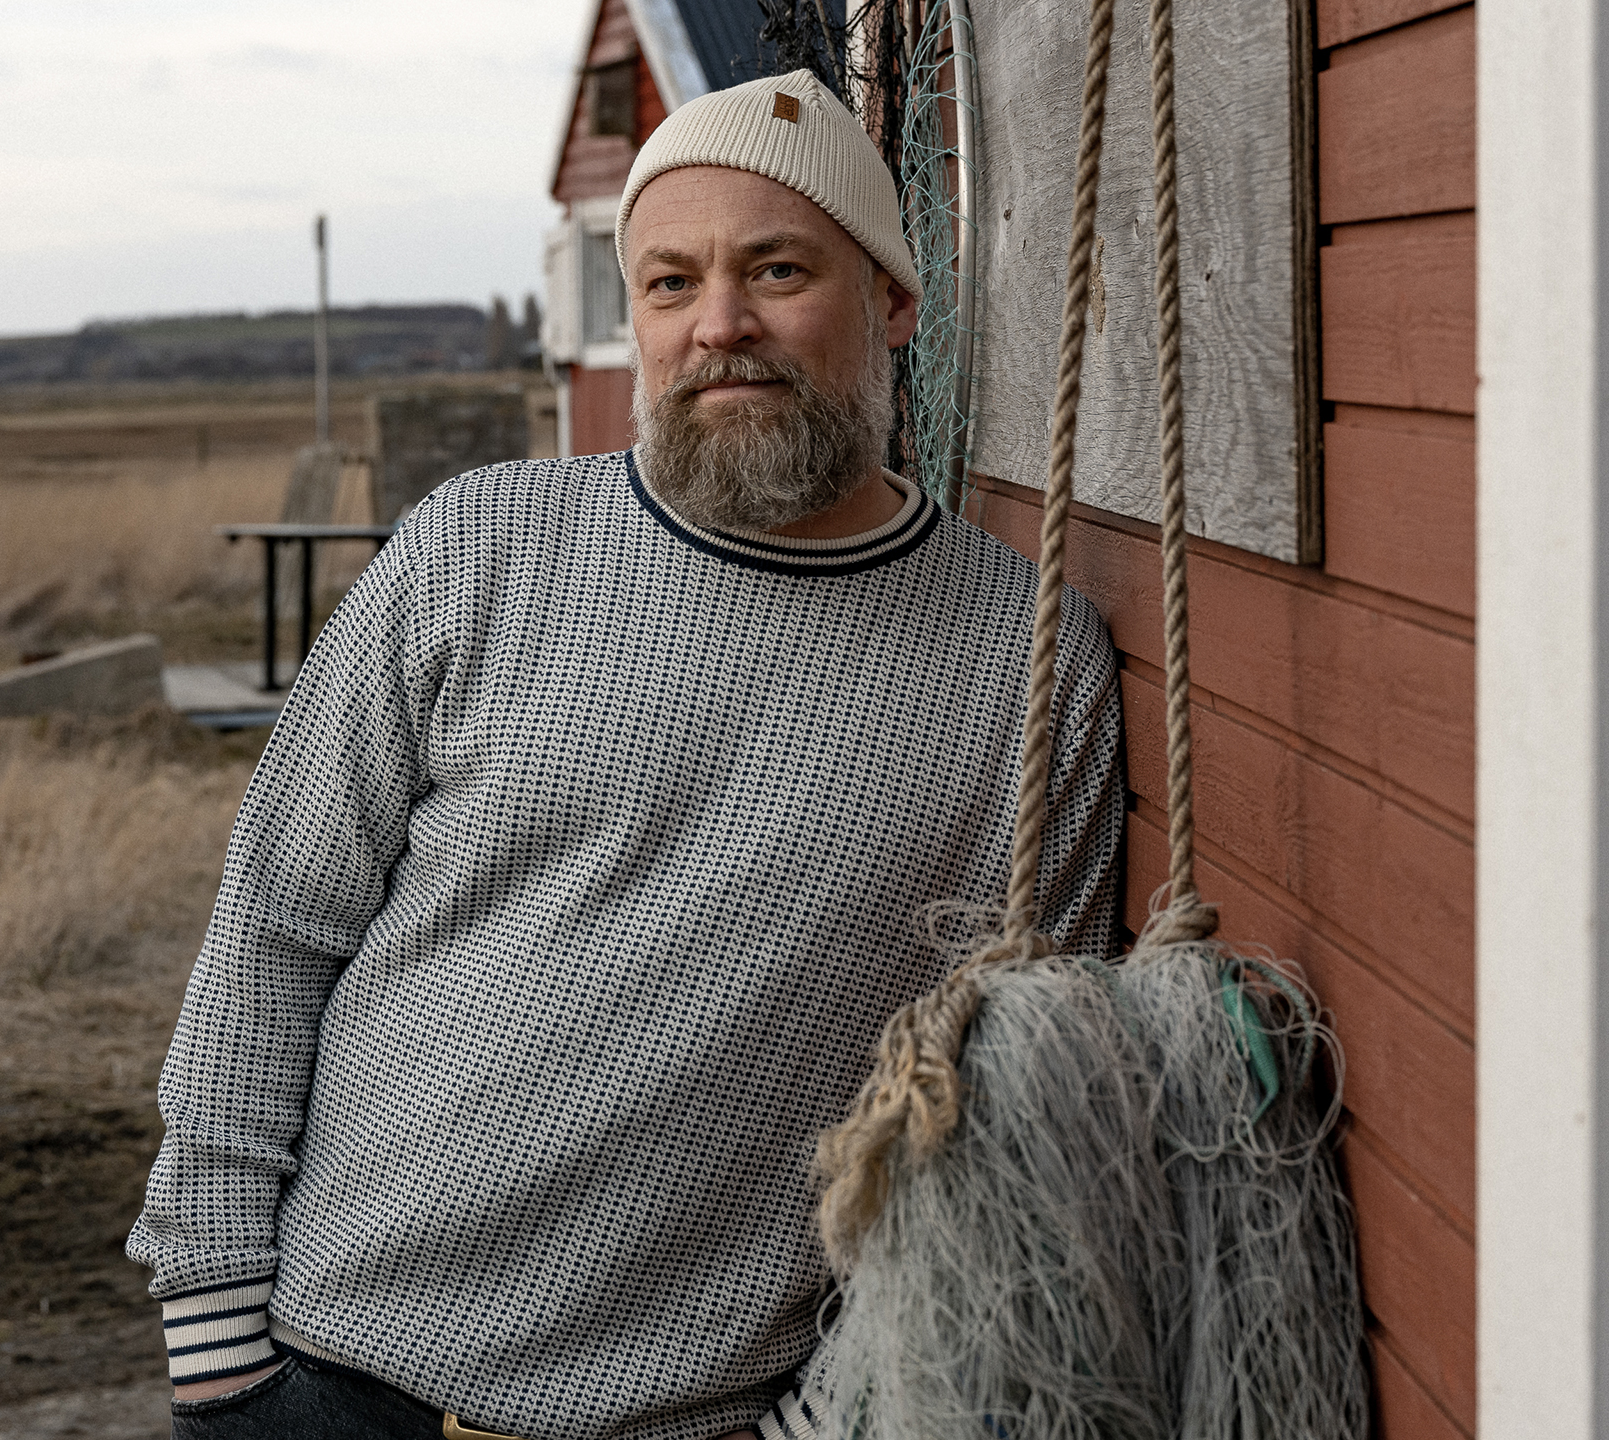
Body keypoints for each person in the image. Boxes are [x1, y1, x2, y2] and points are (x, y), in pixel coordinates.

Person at [127, 70, 1124, 1440]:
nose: (721, 326)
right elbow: (271, 933)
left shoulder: (1030, 663)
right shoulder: (471, 549)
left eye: (778, 270)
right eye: (669, 284)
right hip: (320, 1382)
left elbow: (1002, 1124)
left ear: (896, 301)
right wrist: (221, 1346)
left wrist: (831, 1422)